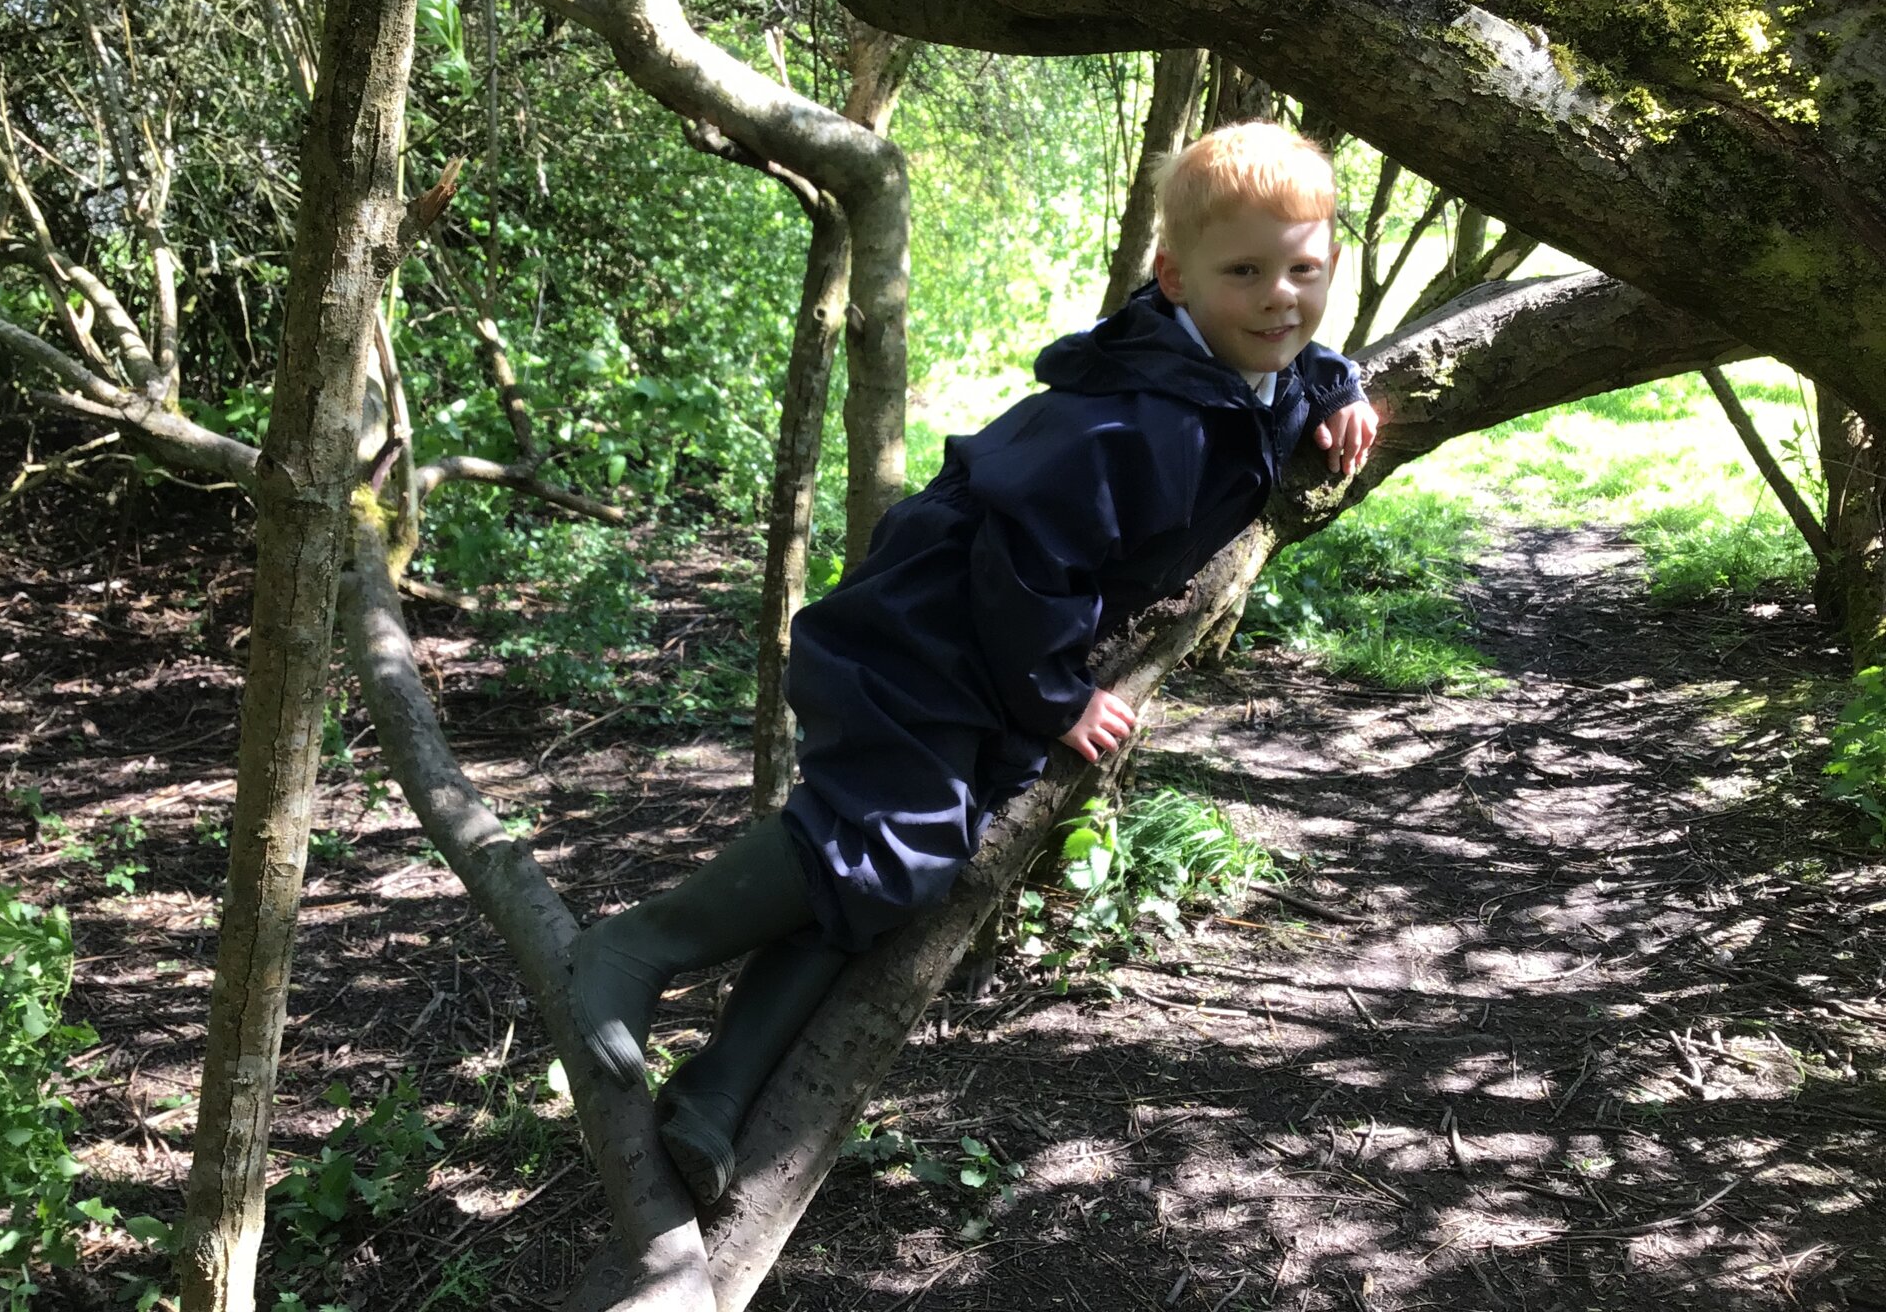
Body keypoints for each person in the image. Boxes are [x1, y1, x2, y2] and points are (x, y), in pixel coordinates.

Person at [568, 121, 1380, 1203]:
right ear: (1175, 276)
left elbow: (1289, 367)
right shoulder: (1133, 420)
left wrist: (1337, 386)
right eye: (1246, 274)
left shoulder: (1235, 367)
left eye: (1303, 272)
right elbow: (1026, 561)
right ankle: (634, 948)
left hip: (993, 645)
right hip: (936, 631)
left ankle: (716, 1092)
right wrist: (1053, 697)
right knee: (886, 842)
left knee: (896, 876)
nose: (1280, 299)